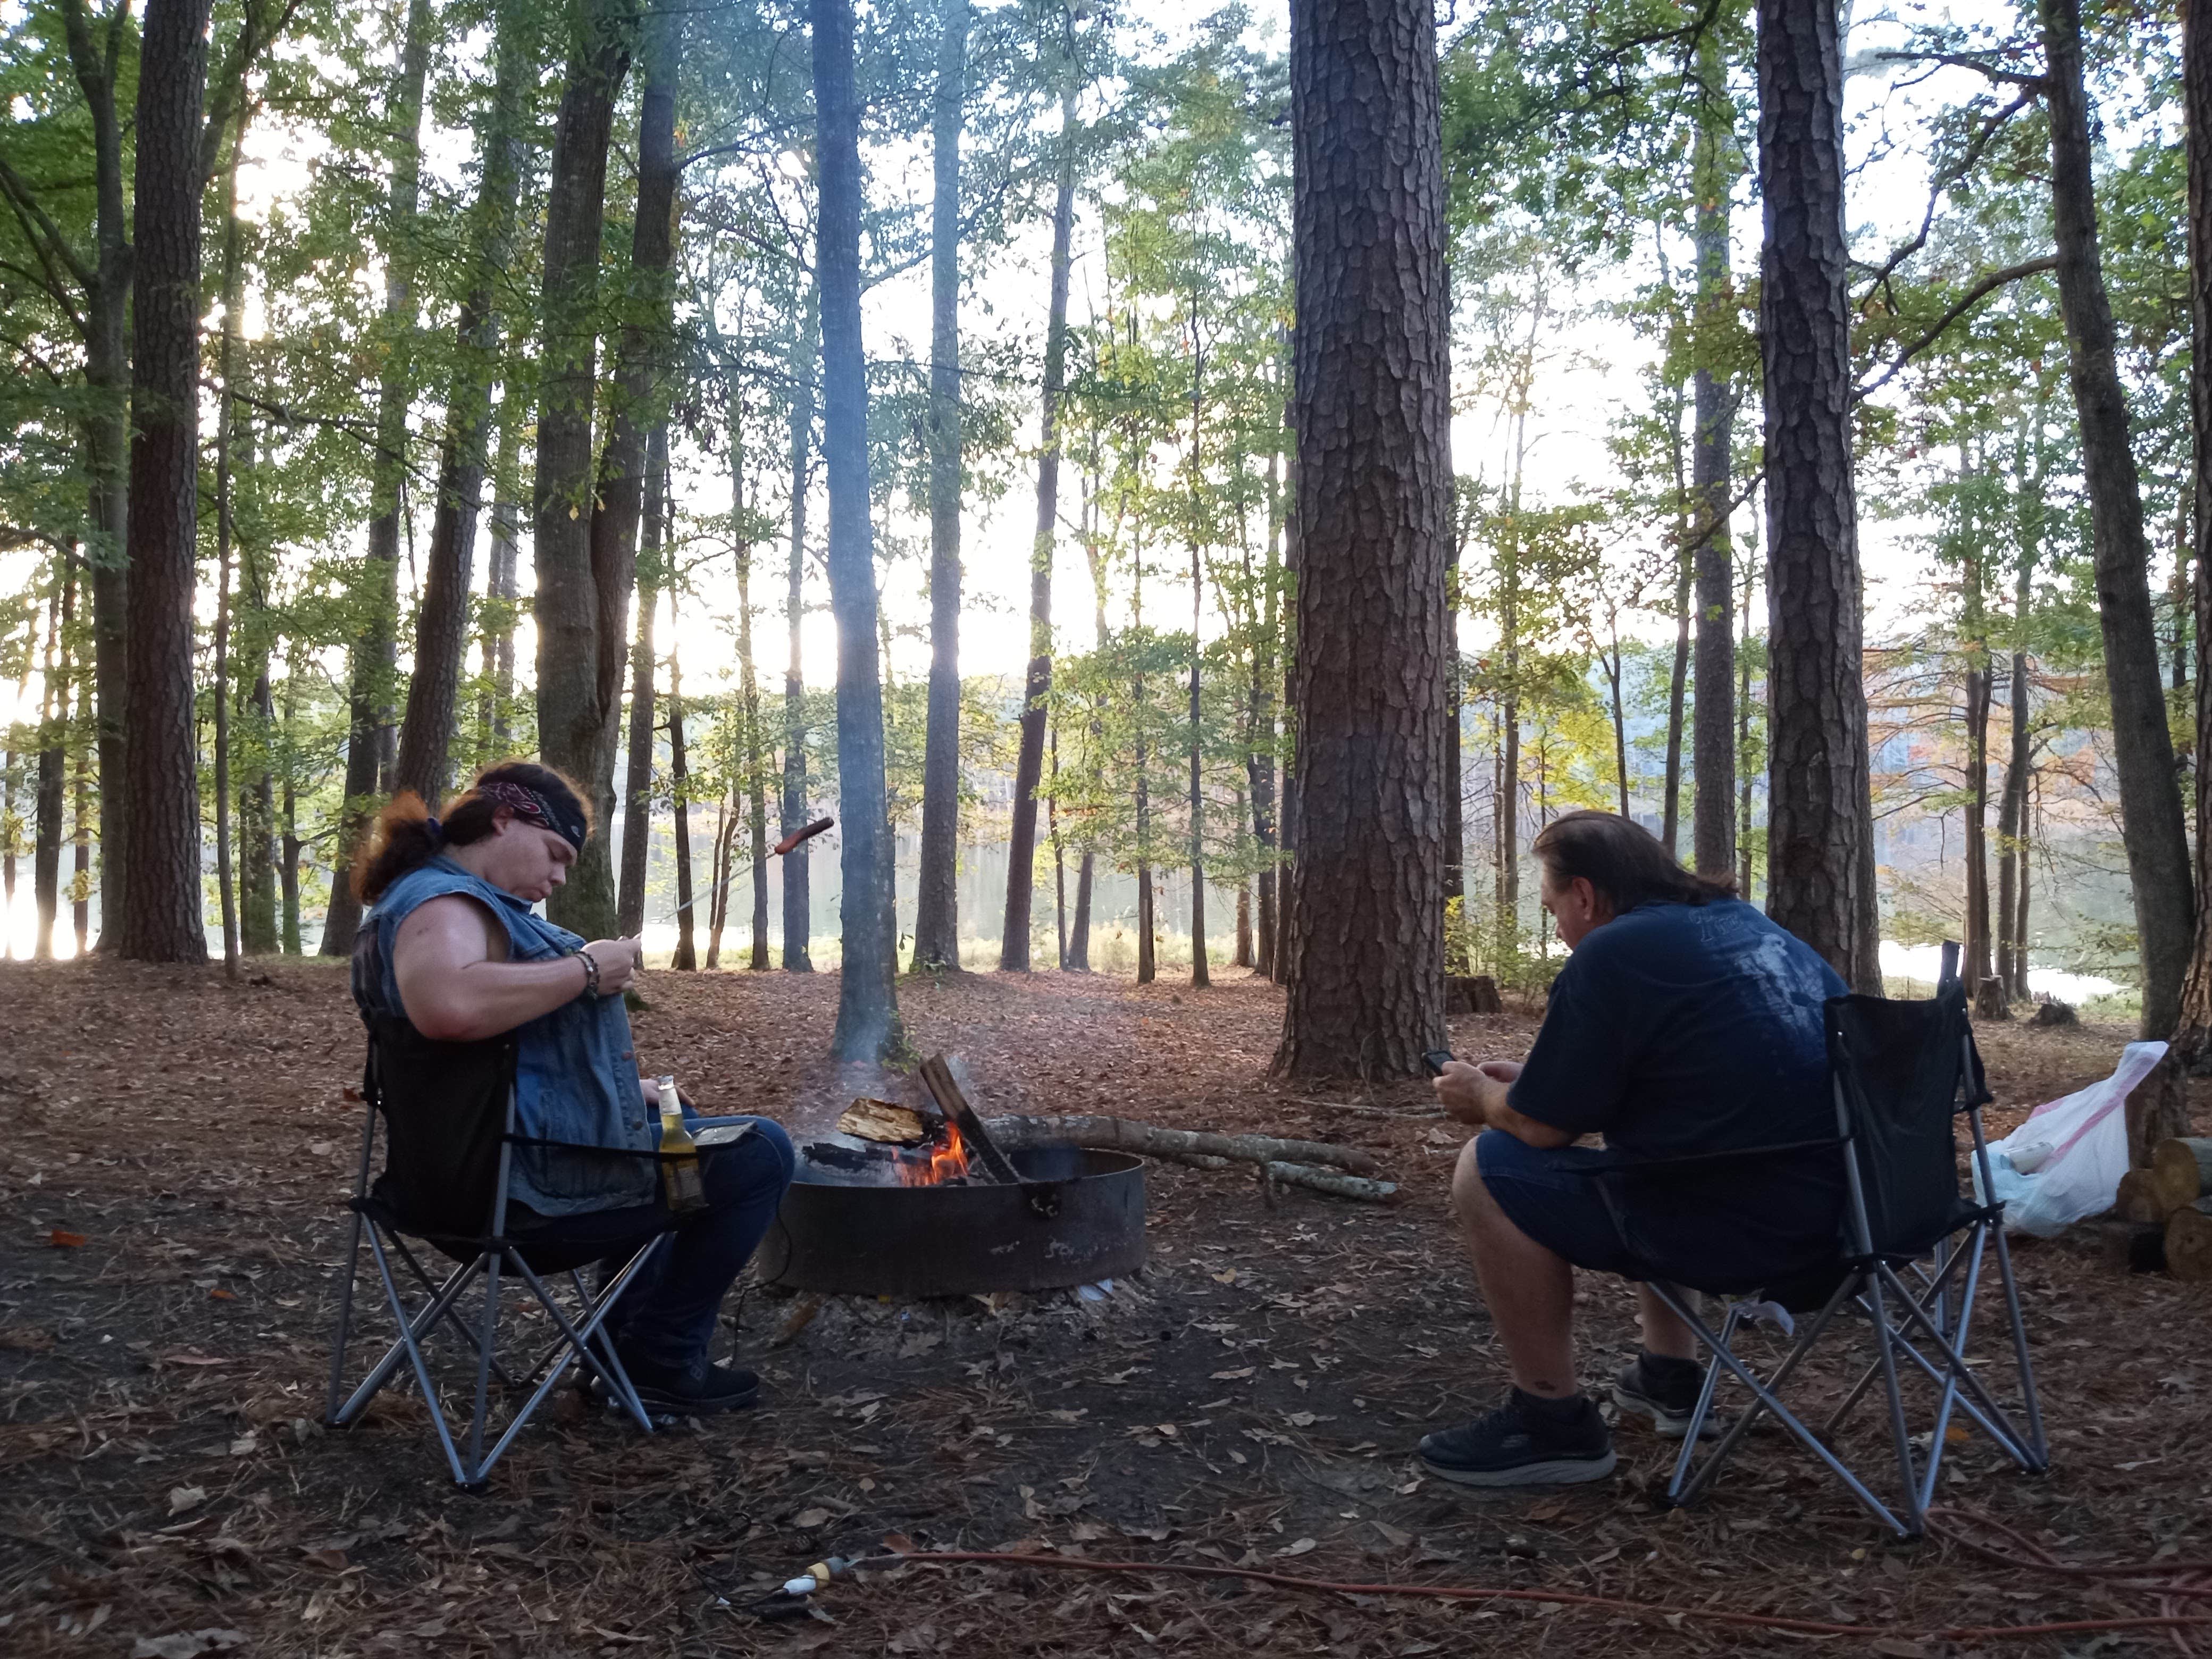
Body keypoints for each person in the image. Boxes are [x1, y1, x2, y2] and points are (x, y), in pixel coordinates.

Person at [349, 760, 795, 1414]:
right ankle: (660, 1358)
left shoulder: (448, 901)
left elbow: (484, 1060)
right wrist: (586, 968)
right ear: (504, 820)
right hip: (524, 1194)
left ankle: (619, 1353)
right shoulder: (443, 901)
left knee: (675, 1121)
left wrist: (614, 1092)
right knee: (763, 1152)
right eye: (556, 855)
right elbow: (447, 1007)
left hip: (458, 1178)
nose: (557, 878)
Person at [1420, 810, 1847, 1487]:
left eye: (1552, 906)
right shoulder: (1754, 931)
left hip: (1750, 1238)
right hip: (1855, 1227)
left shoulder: (1612, 951)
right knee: (1649, 1135)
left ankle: (1550, 1424)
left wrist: (1482, 1098)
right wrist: (1537, 1087)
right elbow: (1689, 1080)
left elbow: (1540, 1132)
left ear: (1585, 895)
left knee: (1486, 1167)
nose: (1557, 929)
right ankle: (1667, 1377)